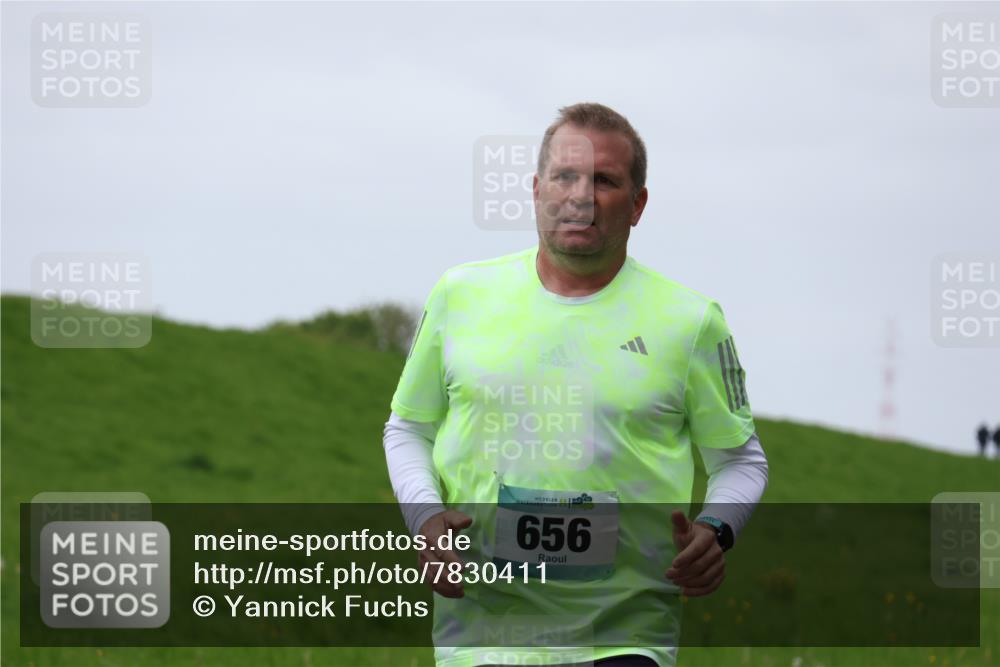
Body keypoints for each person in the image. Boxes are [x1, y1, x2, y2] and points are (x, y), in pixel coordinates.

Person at [383, 103, 769, 667]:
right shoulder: (460, 295)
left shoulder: (690, 322)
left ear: (637, 205)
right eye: (565, 176)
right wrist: (425, 517)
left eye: (604, 181)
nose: (580, 197)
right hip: (484, 636)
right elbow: (408, 429)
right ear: (536, 189)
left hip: (623, 636)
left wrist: (716, 528)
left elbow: (740, 461)